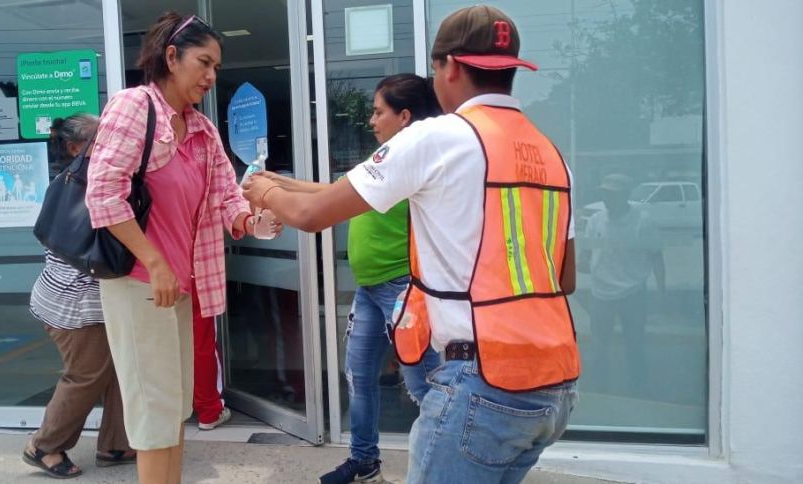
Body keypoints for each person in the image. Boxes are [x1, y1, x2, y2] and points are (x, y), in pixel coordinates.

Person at [244, 6, 580, 483]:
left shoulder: (438, 137)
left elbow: (311, 216)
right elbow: (563, 278)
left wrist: (265, 191)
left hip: (484, 380)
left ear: (451, 67)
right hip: (555, 383)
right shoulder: (552, 155)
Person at [85, 12, 276, 484]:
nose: (211, 76)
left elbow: (224, 196)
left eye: (216, 66)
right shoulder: (135, 107)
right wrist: (155, 260)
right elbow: (102, 193)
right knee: (152, 412)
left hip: (182, 286)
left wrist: (251, 220)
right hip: (139, 282)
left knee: (173, 407)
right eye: (203, 63)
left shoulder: (201, 129)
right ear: (171, 57)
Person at [259, 74, 443, 484]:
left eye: (379, 112)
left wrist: (268, 192)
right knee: (360, 377)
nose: (371, 120)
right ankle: (364, 461)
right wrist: (275, 181)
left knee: (425, 388)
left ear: (405, 116)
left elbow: (319, 208)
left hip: (402, 289)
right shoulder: (389, 158)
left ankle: (449, 468)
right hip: (373, 290)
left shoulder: (412, 159)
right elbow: (334, 190)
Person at [22, 114, 136, 479]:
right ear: (77, 148)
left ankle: (116, 444)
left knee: (119, 370)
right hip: (72, 304)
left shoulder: (77, 181)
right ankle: (44, 445)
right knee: (86, 375)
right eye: (103, 140)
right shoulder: (79, 186)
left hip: (89, 301)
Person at [580, 173, 664, 395]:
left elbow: (656, 256)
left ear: (625, 195)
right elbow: (585, 255)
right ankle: (600, 392)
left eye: (613, 194)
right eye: (605, 193)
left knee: (635, 345)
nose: (608, 198)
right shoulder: (596, 220)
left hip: (633, 293)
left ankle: (639, 391)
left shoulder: (643, 221)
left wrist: (661, 293)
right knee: (598, 348)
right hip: (601, 294)